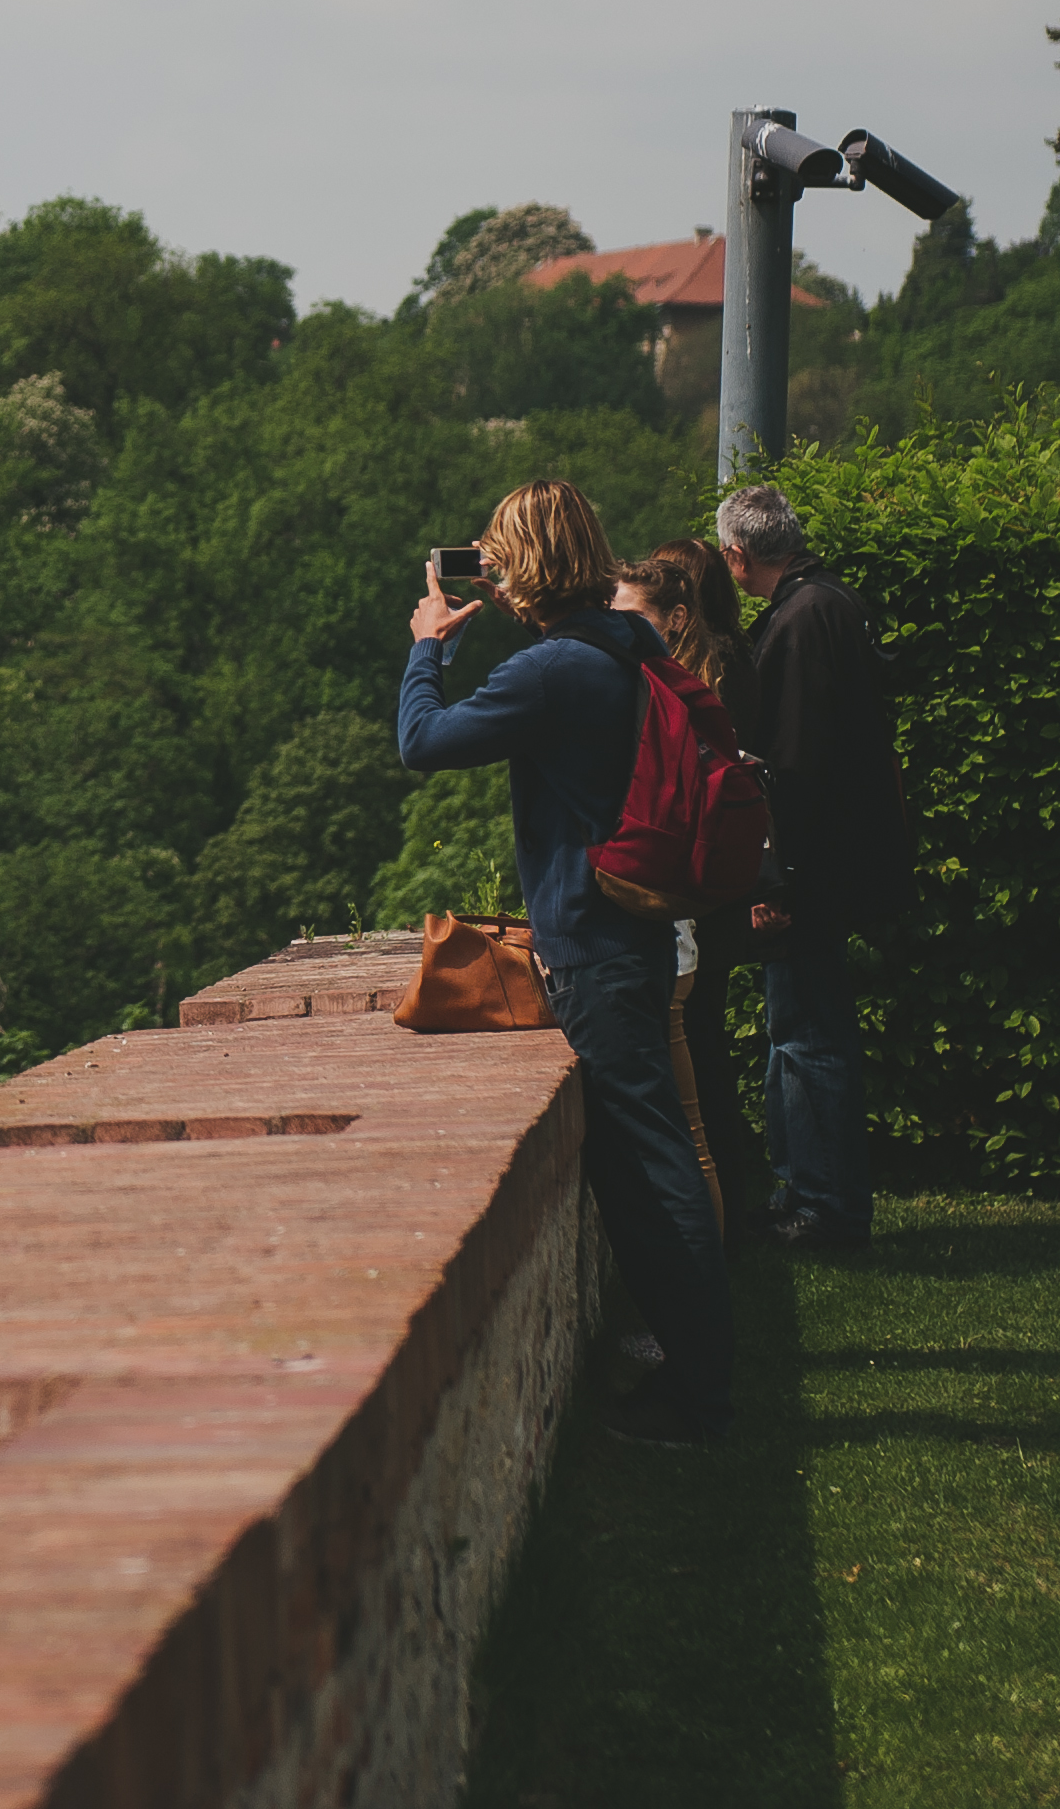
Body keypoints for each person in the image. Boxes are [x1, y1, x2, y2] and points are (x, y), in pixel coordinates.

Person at [404, 480, 734, 1444]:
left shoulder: (557, 671)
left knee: (651, 1162)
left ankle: (699, 1393)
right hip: (626, 931)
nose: (491, 575)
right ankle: (691, 1368)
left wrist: (429, 646)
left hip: (594, 944)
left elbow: (421, 741)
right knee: (647, 1158)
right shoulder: (623, 643)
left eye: (499, 558)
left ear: (529, 566)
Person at [717, 482, 903, 1254]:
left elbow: (789, 766)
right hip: (847, 857)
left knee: (804, 1034)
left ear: (736, 555)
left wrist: (773, 880)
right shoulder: (834, 602)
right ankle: (811, 1195)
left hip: (811, 869)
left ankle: (821, 1206)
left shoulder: (796, 621)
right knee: (806, 1028)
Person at [614, 542, 768, 1236]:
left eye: (627, 614)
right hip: (704, 891)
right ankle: (733, 1218)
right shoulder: (703, 675)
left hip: (698, 896)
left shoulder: (697, 684)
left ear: (676, 616)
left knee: (698, 1066)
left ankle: (725, 1229)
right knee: (700, 1059)